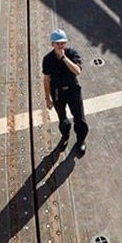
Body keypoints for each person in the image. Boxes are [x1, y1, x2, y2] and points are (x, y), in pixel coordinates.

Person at [42, 28, 87, 157]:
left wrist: (64, 58)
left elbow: (77, 71)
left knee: (79, 117)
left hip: (72, 90)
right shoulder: (48, 59)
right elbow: (46, 79)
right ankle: (65, 135)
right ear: (52, 44)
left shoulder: (72, 54)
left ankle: (81, 140)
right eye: (58, 43)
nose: (60, 46)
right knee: (62, 117)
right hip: (57, 92)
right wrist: (47, 98)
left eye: (63, 43)